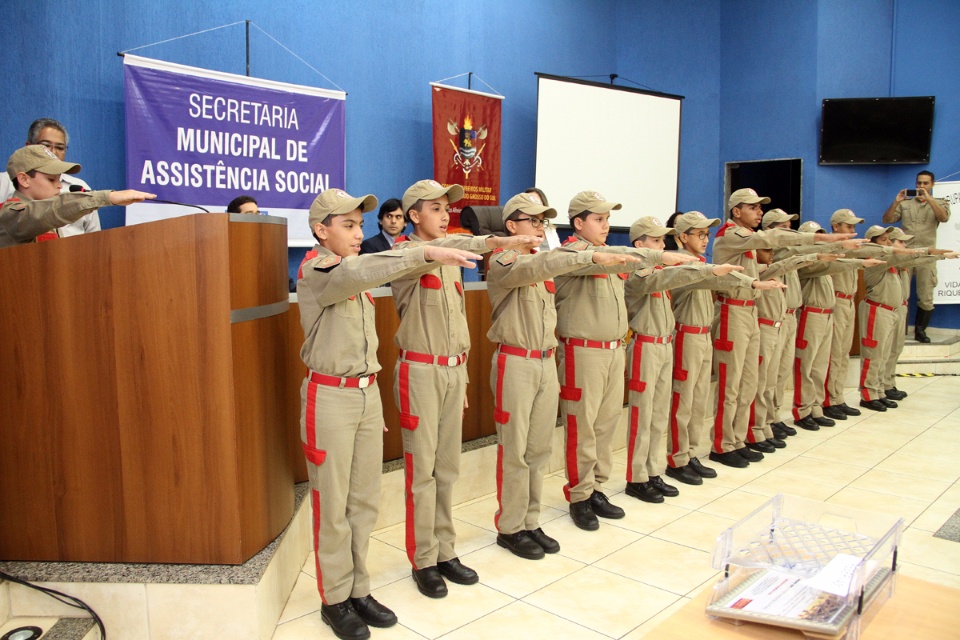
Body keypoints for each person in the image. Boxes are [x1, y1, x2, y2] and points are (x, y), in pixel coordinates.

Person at [297, 188, 480, 639]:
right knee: (334, 503)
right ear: (322, 231)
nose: (359, 234)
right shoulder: (319, 270)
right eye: (348, 226)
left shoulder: (351, 274)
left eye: (360, 225)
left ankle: (358, 588)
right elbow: (361, 270)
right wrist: (428, 250)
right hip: (330, 396)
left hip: (363, 392)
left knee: (363, 500)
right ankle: (335, 598)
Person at [391, 179, 539, 598]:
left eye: (446, 209)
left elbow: (456, 324)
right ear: (414, 215)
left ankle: (444, 549)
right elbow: (411, 257)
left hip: (453, 372)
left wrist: (465, 378)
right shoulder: (405, 253)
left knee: (447, 467)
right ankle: (423, 558)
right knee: (422, 470)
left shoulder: (453, 258)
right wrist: (490, 240)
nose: (444, 215)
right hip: (420, 371)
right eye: (434, 208)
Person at [486, 191, 639, 559]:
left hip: (543, 360)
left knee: (538, 449)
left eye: (542, 222)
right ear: (511, 226)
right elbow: (539, 266)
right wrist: (594, 256)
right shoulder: (505, 261)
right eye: (531, 221)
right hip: (516, 362)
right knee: (516, 449)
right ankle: (510, 526)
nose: (539, 228)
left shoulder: (542, 263)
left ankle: (530, 520)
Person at [553, 191, 696, 530]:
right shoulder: (570, 253)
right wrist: (657, 256)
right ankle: (579, 494)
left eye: (606, 219)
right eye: (598, 219)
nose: (605, 225)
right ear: (578, 223)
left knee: (605, 424)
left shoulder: (610, 258)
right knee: (582, 426)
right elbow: (602, 257)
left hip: (613, 350)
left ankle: (597, 486)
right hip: (582, 352)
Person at [709, 189, 853, 469]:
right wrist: (818, 238)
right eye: (753, 207)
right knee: (731, 385)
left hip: (749, 309)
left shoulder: (746, 243)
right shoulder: (730, 235)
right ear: (736, 211)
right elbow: (769, 237)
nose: (759, 212)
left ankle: (738, 439)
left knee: (748, 382)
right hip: (733, 311)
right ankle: (723, 444)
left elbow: (758, 271)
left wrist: (795, 262)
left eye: (760, 207)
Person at [623, 216, 748, 502]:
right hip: (647, 344)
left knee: (658, 414)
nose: (661, 245)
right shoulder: (640, 274)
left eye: (661, 240)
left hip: (666, 342)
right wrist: (698, 267)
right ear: (640, 245)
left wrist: (750, 283)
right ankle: (638, 476)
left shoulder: (662, 269)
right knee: (644, 415)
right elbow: (669, 277)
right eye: (655, 241)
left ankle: (652, 471)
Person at [667, 211, 771, 485]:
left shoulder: (701, 262)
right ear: (682, 237)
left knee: (699, 399)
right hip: (686, 334)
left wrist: (753, 283)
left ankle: (689, 452)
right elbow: (708, 279)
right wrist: (749, 281)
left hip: (703, 334)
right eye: (698, 234)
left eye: (706, 234)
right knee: (684, 399)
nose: (705, 239)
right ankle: (677, 457)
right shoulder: (680, 265)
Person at [0, 145, 153, 249]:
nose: (59, 185)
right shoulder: (12, 215)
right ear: (24, 179)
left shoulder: (46, 218)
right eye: (51, 179)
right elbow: (54, 208)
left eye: (59, 179)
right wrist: (108, 197)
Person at [882, 171, 951, 342]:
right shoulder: (906, 203)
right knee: (899, 293)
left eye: (925, 183)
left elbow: (943, 218)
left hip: (927, 255)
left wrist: (931, 200)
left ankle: (920, 331)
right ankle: (897, 329)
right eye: (919, 183)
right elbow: (887, 220)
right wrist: (896, 202)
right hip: (905, 254)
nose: (921, 187)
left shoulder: (940, 203)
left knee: (926, 294)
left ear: (932, 185)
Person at [0, 118, 100, 237]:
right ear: (28, 146)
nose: (53, 152)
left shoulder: (80, 187)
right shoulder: (3, 183)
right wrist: (107, 197)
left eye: (60, 148)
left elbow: (95, 238)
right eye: (45, 146)